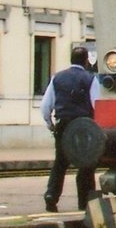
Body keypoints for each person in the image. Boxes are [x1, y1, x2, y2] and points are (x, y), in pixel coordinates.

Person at [41, 45, 99, 212]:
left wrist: (50, 124)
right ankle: (84, 201)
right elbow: (97, 104)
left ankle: (51, 196)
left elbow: (46, 106)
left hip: (63, 124)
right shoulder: (90, 79)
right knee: (86, 164)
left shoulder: (57, 78)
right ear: (86, 60)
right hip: (83, 126)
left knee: (60, 162)